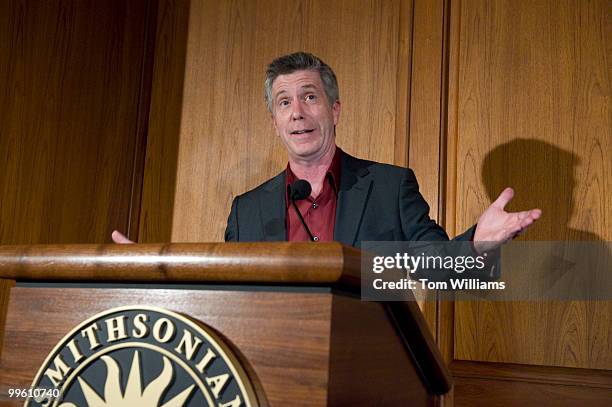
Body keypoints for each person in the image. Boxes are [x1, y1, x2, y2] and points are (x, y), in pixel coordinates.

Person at [113, 52, 541, 249]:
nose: (297, 112)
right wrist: (152, 275)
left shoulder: (390, 187)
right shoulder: (246, 210)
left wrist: (477, 245)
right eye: (284, 102)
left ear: (334, 109)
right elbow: (228, 293)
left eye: (310, 97)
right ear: (275, 122)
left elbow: (438, 269)